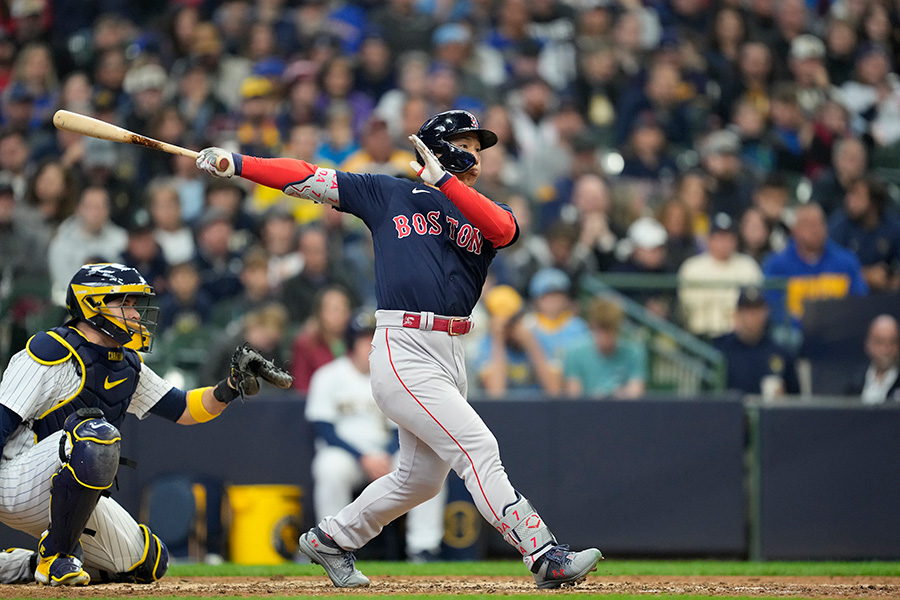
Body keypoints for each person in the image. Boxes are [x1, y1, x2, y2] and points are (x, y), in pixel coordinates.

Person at [196, 108, 602, 589]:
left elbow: (507, 231)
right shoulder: (388, 192)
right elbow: (307, 177)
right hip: (403, 345)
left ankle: (333, 539)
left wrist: (448, 185)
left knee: (421, 480)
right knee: (478, 447)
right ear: (442, 146)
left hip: (452, 351)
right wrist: (239, 165)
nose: (477, 156)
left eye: (478, 148)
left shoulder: (479, 207)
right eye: (468, 145)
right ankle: (543, 553)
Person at [0, 263, 268, 586]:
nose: (136, 314)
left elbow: (184, 408)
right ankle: (57, 557)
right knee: (95, 437)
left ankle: (27, 565)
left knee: (148, 563)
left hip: (66, 496)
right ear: (92, 304)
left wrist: (229, 387)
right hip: (14, 482)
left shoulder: (125, 363)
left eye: (134, 305)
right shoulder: (49, 352)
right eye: (124, 303)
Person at [306, 312, 447, 563]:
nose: (370, 343)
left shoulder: (393, 375)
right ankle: (331, 545)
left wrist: (384, 455)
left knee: (430, 468)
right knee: (329, 467)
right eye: (363, 339)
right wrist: (364, 458)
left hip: (387, 453)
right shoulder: (328, 376)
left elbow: (401, 427)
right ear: (351, 344)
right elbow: (324, 429)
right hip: (348, 455)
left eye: (375, 337)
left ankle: (424, 547)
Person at [762, 202, 868, 330]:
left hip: (838, 331)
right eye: (808, 224)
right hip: (794, 335)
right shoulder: (776, 264)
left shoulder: (847, 261)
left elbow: (860, 302)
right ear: (794, 230)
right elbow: (773, 308)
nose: (815, 229)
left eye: (820, 223)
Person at [677, 212, 763, 339]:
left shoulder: (748, 265)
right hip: (702, 336)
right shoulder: (692, 267)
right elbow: (691, 305)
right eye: (719, 236)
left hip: (739, 337)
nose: (724, 242)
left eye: (729, 237)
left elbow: (755, 301)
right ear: (709, 239)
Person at [712, 286, 799, 397]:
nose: (752, 316)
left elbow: (796, 398)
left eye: (757, 310)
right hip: (729, 412)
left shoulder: (780, 352)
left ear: (766, 312)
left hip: (768, 412)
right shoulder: (719, 349)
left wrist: (783, 398)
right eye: (747, 311)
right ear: (737, 315)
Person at [563, 296, 647, 399]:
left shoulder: (634, 352)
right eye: (601, 330)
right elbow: (574, 396)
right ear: (593, 326)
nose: (606, 337)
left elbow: (636, 392)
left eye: (611, 330)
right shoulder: (575, 352)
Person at [844, 314, 900, 403]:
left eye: (892, 342)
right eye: (880, 342)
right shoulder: (854, 381)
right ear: (868, 344)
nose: (886, 349)